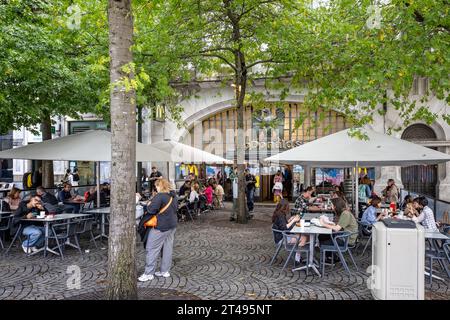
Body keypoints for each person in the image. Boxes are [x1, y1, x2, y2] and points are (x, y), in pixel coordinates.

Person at [138, 179, 178, 282]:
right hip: (172, 225)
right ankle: (165, 271)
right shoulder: (173, 196)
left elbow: (151, 210)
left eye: (156, 186)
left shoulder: (160, 196)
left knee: (151, 248)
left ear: (160, 186)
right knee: (167, 248)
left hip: (161, 226)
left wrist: (148, 204)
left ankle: (148, 273)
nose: (156, 188)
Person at [318, 197, 358, 262]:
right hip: (344, 235)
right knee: (322, 236)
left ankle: (331, 258)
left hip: (347, 240)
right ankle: (332, 257)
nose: (331, 206)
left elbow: (337, 229)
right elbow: (339, 226)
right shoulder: (344, 213)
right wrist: (327, 223)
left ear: (336, 206)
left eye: (332, 205)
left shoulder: (345, 214)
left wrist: (323, 224)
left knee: (323, 243)